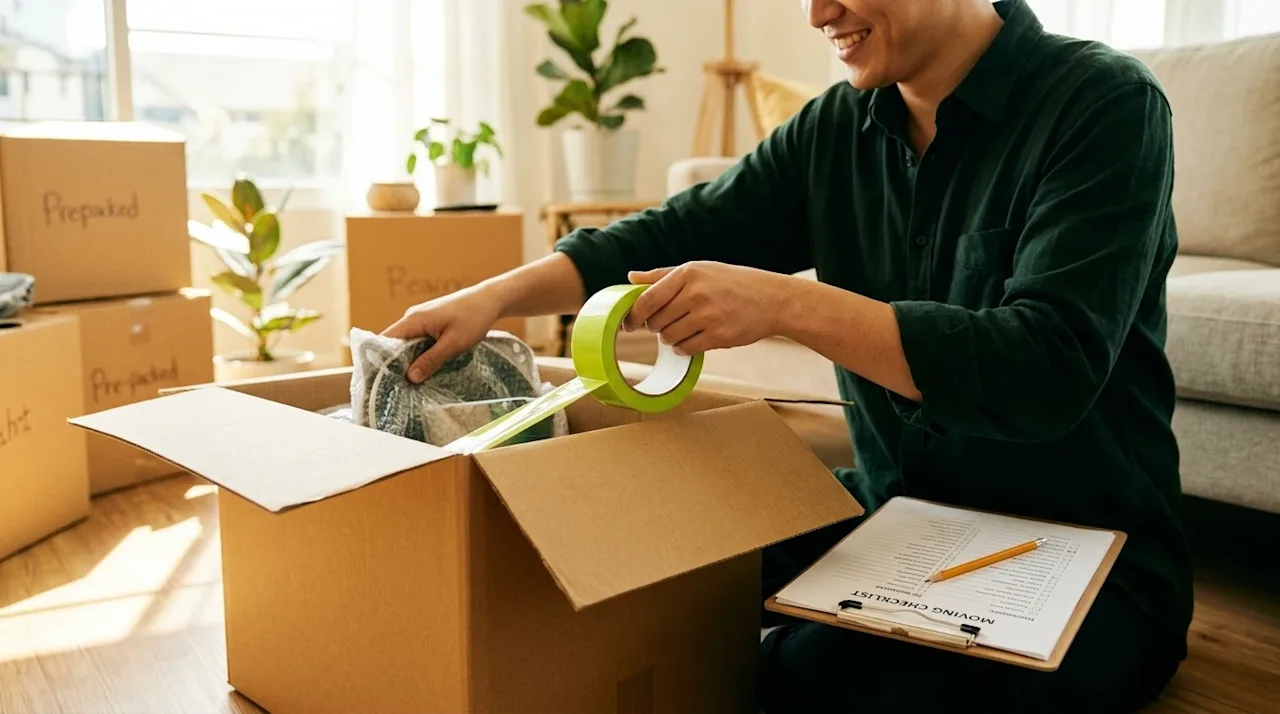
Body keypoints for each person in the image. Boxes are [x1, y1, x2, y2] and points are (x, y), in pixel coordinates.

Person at [383, 0, 1193, 710]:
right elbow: (672, 230)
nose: (816, 14)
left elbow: (1042, 370)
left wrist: (785, 303)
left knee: (815, 678)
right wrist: (492, 297)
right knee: (630, 573)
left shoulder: (1105, 105)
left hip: (1083, 555)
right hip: (893, 521)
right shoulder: (835, 128)